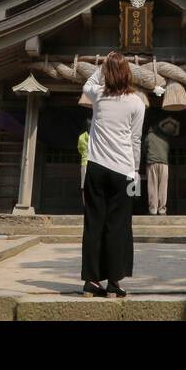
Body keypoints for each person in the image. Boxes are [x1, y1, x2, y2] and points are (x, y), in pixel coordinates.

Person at [80, 51, 145, 297]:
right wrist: (136, 171)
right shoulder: (137, 102)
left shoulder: (98, 96)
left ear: (106, 74)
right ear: (128, 74)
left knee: (94, 224)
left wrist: (103, 64)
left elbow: (88, 83)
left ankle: (91, 281)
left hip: (96, 167)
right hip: (125, 171)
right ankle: (114, 285)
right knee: (119, 226)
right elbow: (135, 140)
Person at [145, 119, 172, 215]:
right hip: (164, 164)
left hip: (152, 163)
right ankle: (162, 210)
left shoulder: (149, 136)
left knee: (152, 187)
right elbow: (168, 150)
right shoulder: (165, 137)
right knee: (163, 187)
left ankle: (153, 210)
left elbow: (145, 149)